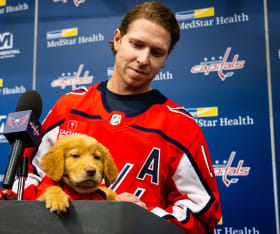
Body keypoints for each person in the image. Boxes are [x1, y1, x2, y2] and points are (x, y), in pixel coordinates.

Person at [20, 1, 222, 233]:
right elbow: (28, 177)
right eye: (136, 44)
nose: (143, 59)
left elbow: (202, 213)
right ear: (117, 39)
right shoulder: (69, 107)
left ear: (167, 57)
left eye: (156, 52)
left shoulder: (180, 126)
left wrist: (140, 215)